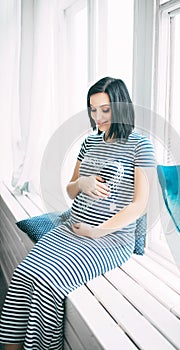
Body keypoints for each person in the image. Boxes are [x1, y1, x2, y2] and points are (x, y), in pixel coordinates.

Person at [0, 77, 156, 350]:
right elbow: (71, 190)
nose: (98, 117)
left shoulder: (139, 145)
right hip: (71, 228)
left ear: (120, 106)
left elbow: (140, 204)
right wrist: (81, 183)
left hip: (109, 240)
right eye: (93, 109)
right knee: (23, 275)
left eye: (105, 109)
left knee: (49, 286)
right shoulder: (89, 143)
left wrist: (97, 231)